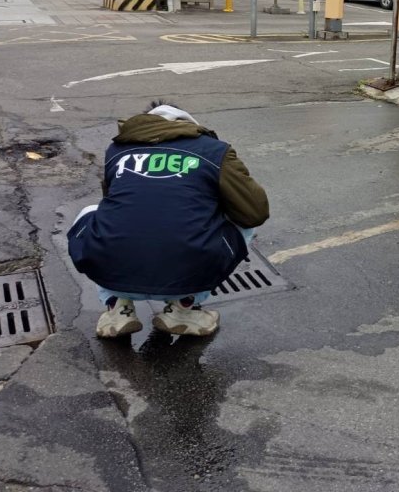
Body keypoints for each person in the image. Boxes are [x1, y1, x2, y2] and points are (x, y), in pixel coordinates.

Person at [67, 102, 270, 338]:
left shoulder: (117, 151)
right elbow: (255, 213)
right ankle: (184, 307)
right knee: (242, 221)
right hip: (189, 262)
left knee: (93, 213)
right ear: (188, 124)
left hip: (114, 264)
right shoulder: (214, 150)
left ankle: (117, 307)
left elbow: (112, 206)